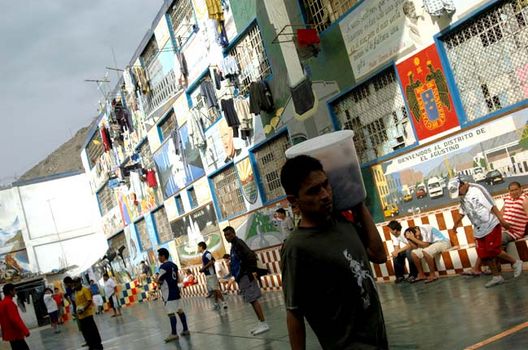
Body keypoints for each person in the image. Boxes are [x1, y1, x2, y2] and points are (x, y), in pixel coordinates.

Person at [280, 155, 388, 349]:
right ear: (294, 201)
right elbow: (294, 311)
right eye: (313, 191)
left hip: (378, 340)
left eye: (326, 185)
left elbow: (379, 255)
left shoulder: (344, 224)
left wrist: (358, 202)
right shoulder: (297, 247)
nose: (325, 195)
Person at [450, 178, 523, 287]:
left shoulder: (477, 189)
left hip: (491, 224)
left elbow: (491, 205)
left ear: (462, 185)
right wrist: (455, 224)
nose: (459, 194)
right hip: (479, 229)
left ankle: (515, 262)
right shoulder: (462, 196)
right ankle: (497, 276)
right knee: (484, 253)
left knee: (492, 249)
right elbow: (462, 212)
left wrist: (502, 221)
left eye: (459, 191)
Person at [223, 226, 270, 335]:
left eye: (229, 234)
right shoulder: (234, 245)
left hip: (246, 276)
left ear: (234, 233)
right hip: (241, 277)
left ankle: (264, 323)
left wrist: (253, 271)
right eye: (225, 235)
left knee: (253, 299)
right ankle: (260, 322)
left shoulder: (238, 243)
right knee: (251, 300)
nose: (227, 237)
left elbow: (250, 256)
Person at [155, 248, 190, 342]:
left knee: (170, 313)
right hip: (175, 290)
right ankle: (186, 329)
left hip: (168, 293)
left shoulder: (163, 267)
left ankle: (174, 333)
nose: (158, 258)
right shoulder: (174, 265)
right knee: (179, 310)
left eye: (159, 256)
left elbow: (160, 280)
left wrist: (156, 280)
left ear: (163, 256)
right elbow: (178, 278)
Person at [73, 278, 103, 350]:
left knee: (92, 330)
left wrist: (83, 309)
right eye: (74, 284)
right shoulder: (76, 292)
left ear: (79, 282)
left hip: (87, 314)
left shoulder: (85, 290)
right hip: (81, 316)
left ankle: (97, 345)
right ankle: (91, 345)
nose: (75, 285)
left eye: (76, 283)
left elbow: (89, 301)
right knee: (86, 332)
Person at [198, 242, 227, 310]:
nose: (198, 249)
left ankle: (223, 302)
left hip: (211, 274)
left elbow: (211, 261)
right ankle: (216, 304)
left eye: (198, 247)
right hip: (208, 275)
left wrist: (203, 268)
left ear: (201, 247)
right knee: (214, 290)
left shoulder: (207, 254)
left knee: (216, 289)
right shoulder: (204, 254)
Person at [0, 283, 30, 350]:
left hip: (10, 335)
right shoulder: (9, 303)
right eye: (14, 290)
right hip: (15, 334)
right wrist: (25, 330)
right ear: (10, 291)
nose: (15, 292)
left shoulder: (2, 303)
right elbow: (14, 319)